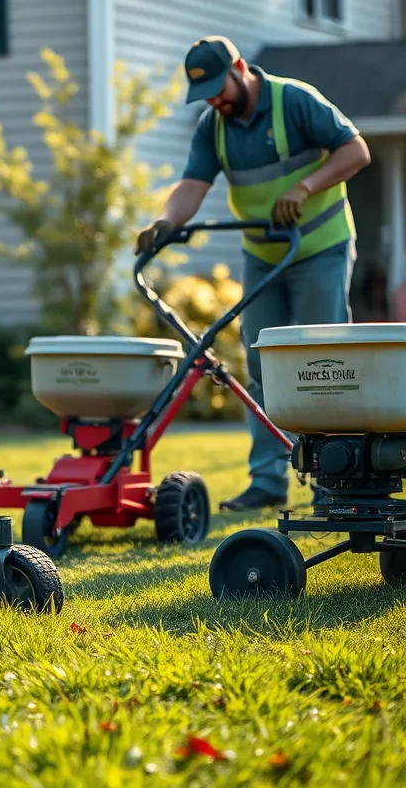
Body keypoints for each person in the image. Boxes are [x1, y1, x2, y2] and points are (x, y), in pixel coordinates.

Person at [136, 36, 372, 510]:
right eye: (204, 96)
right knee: (261, 361)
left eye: (218, 90)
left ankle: (335, 476)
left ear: (239, 68)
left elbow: (357, 151)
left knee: (321, 364)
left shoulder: (295, 101)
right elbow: (192, 185)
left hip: (320, 246)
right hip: (264, 253)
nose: (214, 102)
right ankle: (267, 480)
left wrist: (305, 187)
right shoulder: (213, 127)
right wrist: (166, 222)